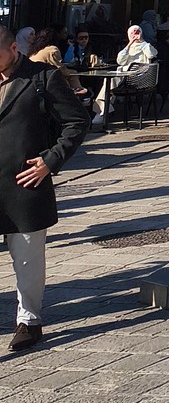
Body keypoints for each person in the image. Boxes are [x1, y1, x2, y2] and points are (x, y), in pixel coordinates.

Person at [0, 20, 91, 351]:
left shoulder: (42, 77)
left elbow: (77, 120)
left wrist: (50, 161)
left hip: (25, 180)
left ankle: (29, 320)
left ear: (13, 49)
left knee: (26, 256)